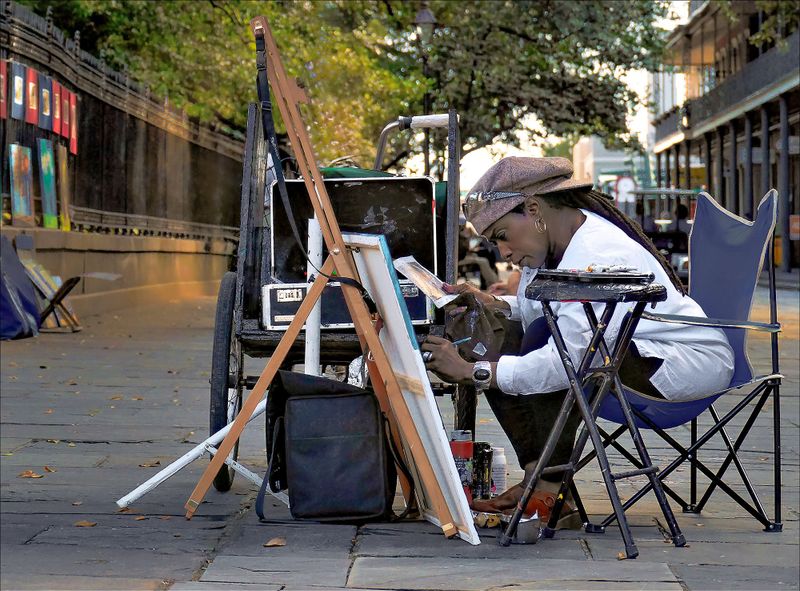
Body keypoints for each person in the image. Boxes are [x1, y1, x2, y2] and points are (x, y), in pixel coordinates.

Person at [421, 156, 734, 524]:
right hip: (630, 355)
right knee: (507, 332)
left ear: (534, 209)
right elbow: (548, 314)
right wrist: (493, 303)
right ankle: (545, 483)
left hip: (680, 366)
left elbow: (564, 360)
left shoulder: (594, 256)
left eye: (502, 237)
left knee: (540, 340)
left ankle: (547, 488)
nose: (503, 253)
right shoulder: (558, 246)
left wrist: (476, 371)